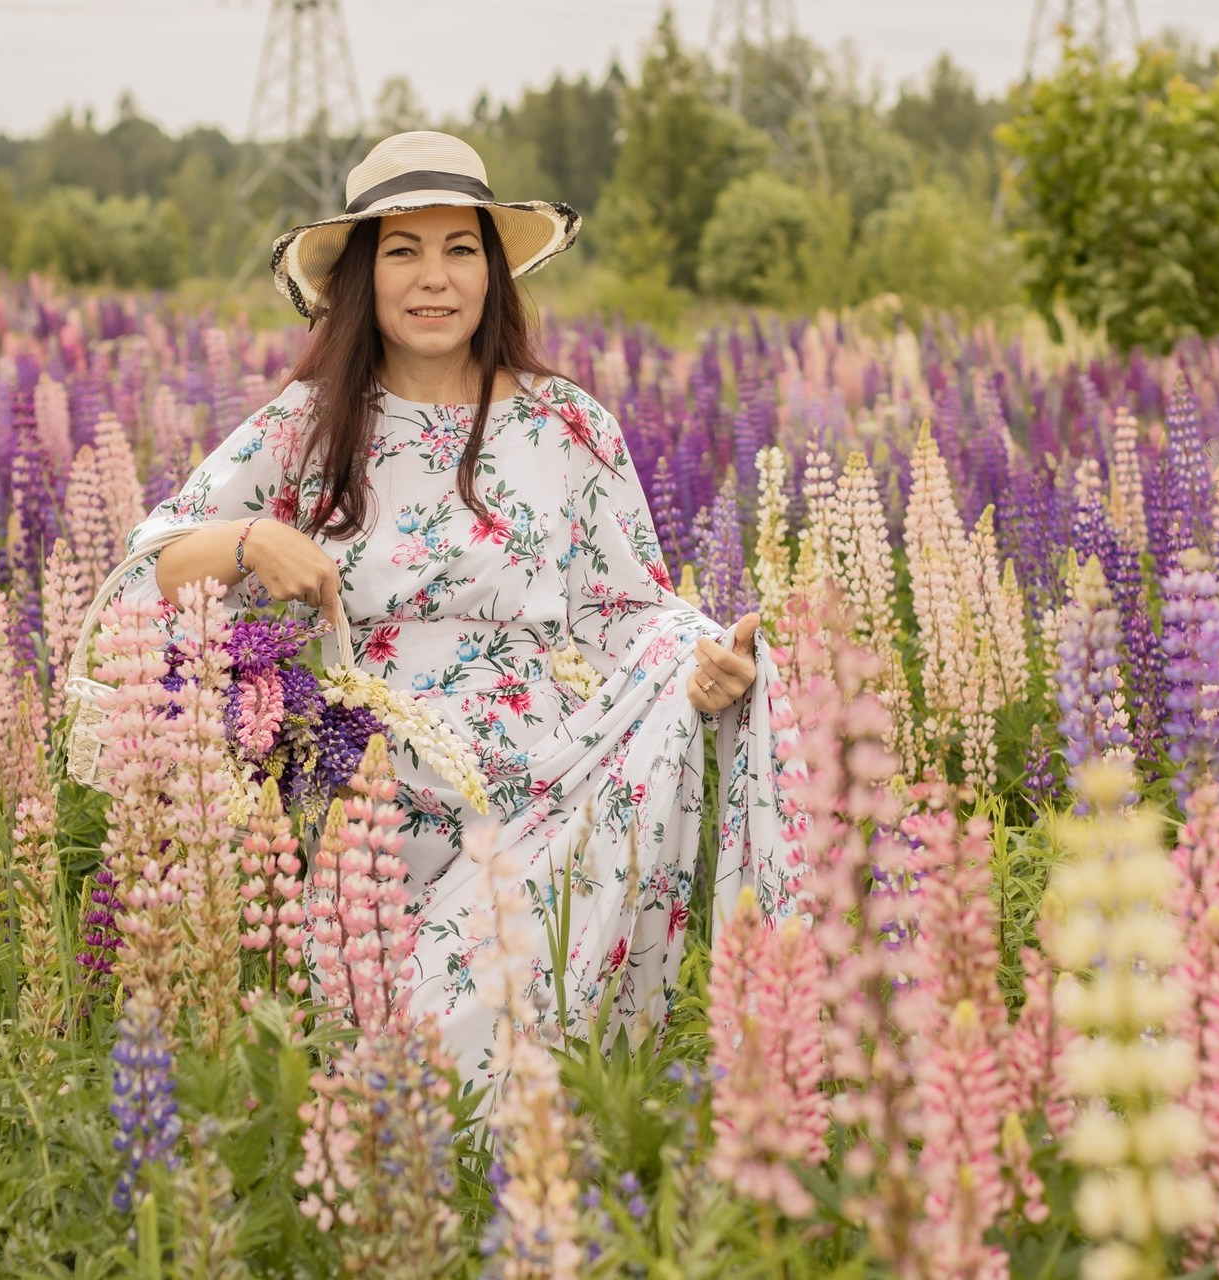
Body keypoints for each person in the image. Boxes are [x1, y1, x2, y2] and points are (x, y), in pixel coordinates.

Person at [124, 131, 795, 1092]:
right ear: (363, 275)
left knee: (521, 1072)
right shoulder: (308, 422)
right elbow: (148, 567)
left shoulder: (566, 424)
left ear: (492, 273)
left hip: (544, 788)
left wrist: (706, 657)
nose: (433, 278)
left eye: (460, 249)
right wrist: (249, 540)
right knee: (386, 1086)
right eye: (402, 250)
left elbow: (631, 609)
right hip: (370, 797)